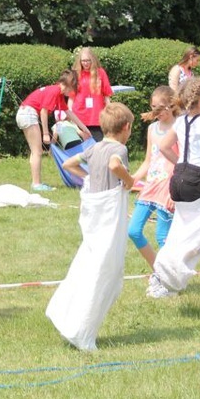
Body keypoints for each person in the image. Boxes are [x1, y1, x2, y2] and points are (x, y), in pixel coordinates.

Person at [47, 102, 134, 350]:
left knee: (90, 261)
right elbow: (115, 165)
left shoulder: (94, 148)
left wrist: (87, 178)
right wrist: (129, 181)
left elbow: (68, 164)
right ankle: (83, 331)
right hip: (107, 216)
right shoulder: (119, 149)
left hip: (94, 213)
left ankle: (72, 319)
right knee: (106, 270)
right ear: (126, 127)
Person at [154, 76, 200, 297]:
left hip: (178, 179)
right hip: (197, 180)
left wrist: (180, 165)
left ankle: (160, 277)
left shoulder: (180, 121)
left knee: (180, 227)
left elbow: (164, 146)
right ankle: (170, 271)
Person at [127, 86, 178, 275]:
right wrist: (132, 180)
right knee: (133, 230)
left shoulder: (178, 128)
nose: (157, 111)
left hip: (169, 188)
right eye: (153, 107)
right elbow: (148, 161)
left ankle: (168, 277)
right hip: (150, 187)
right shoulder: (151, 129)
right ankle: (160, 270)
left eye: (161, 107)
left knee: (162, 236)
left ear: (172, 106)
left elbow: (181, 163)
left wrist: (176, 191)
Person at [16, 69, 91, 192]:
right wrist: (45, 133)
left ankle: (36, 182)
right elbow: (44, 111)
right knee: (37, 151)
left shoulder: (58, 94)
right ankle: (36, 184)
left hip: (24, 114)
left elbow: (68, 112)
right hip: (28, 114)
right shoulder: (55, 91)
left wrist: (84, 128)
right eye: (73, 88)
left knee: (35, 151)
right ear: (69, 85)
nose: (72, 92)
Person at [70, 47, 113, 141]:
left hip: (96, 117)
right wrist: (70, 115)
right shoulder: (75, 74)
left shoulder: (100, 72)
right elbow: (71, 97)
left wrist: (110, 113)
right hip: (79, 116)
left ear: (92, 60)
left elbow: (107, 95)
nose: (85, 63)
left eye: (88, 60)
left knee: (98, 146)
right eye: (83, 61)